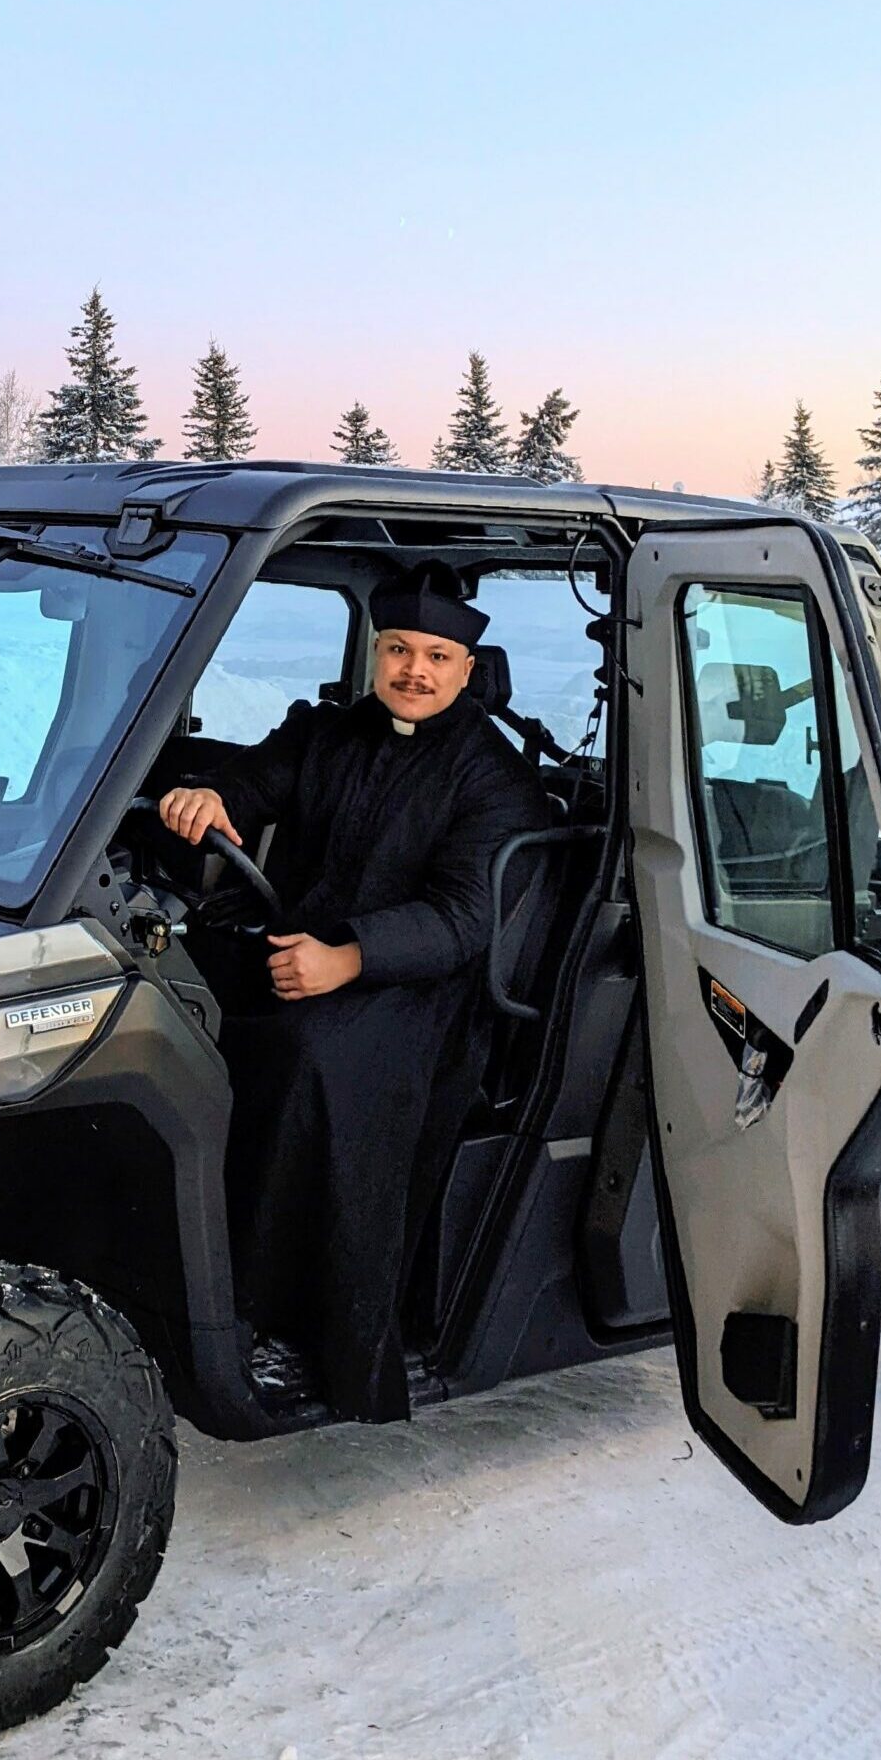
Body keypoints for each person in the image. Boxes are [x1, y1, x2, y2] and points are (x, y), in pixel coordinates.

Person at [159, 560, 550, 1422]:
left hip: (423, 994)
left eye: (437, 657)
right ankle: (175, 1261)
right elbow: (256, 780)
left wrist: (351, 958)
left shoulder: (494, 779)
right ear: (378, 653)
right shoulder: (328, 732)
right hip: (301, 948)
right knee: (168, 1002)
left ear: (465, 667)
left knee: (307, 1061)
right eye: (399, 650)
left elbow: (459, 918)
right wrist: (208, 794)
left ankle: (283, 1320)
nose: (415, 671)